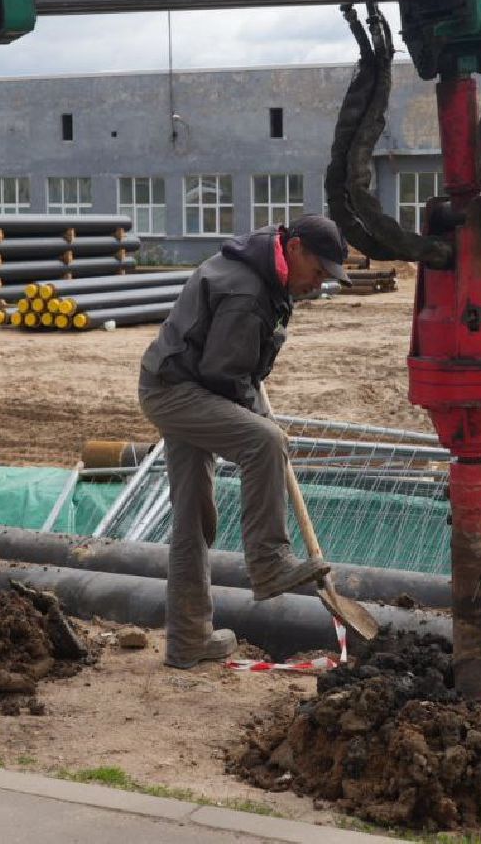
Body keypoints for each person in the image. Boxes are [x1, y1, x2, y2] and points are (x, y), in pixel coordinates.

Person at [138, 214, 354, 668]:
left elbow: (233, 369)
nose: (317, 285)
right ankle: (269, 560)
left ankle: (188, 641)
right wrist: (258, 421)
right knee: (265, 443)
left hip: (180, 380)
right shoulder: (247, 291)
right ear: (294, 249)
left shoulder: (265, 274)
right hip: (176, 392)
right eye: (317, 273)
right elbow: (224, 376)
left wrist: (253, 400)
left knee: (193, 517)